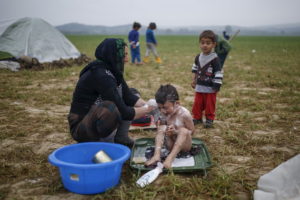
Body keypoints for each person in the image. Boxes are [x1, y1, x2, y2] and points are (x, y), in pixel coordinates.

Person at [67, 38, 155, 148]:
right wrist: (148, 110)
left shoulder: (112, 69)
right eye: (124, 55)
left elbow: (129, 97)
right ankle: (107, 146)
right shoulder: (100, 75)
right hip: (81, 125)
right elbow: (124, 112)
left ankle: (121, 138)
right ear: (114, 55)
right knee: (110, 109)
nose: (127, 59)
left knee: (133, 93)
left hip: (93, 117)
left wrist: (152, 106)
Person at [145, 84, 194, 169]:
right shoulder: (164, 113)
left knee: (183, 130)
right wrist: (167, 130)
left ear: (177, 103)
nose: (162, 111)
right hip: (170, 144)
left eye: (165, 108)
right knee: (161, 127)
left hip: (184, 146)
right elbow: (162, 128)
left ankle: (170, 159)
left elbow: (191, 131)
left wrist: (176, 131)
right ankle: (156, 156)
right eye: (160, 108)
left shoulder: (184, 114)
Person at [191, 30, 223, 128]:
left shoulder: (215, 59)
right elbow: (195, 69)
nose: (205, 45)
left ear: (214, 44)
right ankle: (197, 118)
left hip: (211, 88)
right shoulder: (198, 57)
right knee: (197, 103)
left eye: (208, 43)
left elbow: (218, 72)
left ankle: (209, 119)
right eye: (202, 43)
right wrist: (194, 80)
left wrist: (217, 84)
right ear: (199, 44)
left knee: (210, 105)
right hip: (199, 86)